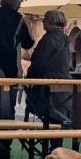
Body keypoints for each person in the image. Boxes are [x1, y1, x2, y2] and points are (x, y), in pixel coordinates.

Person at [27, 9, 72, 148]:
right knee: (57, 117)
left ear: (51, 22)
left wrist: (29, 77)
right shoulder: (64, 38)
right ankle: (55, 149)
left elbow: (39, 61)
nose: (43, 22)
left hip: (47, 83)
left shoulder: (49, 39)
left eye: (45, 19)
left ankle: (53, 150)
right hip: (62, 83)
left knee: (49, 116)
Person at [0, 0, 34, 119]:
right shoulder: (19, 19)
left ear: (2, 2)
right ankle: (7, 122)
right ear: (17, 5)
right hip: (9, 62)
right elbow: (27, 44)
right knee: (10, 93)